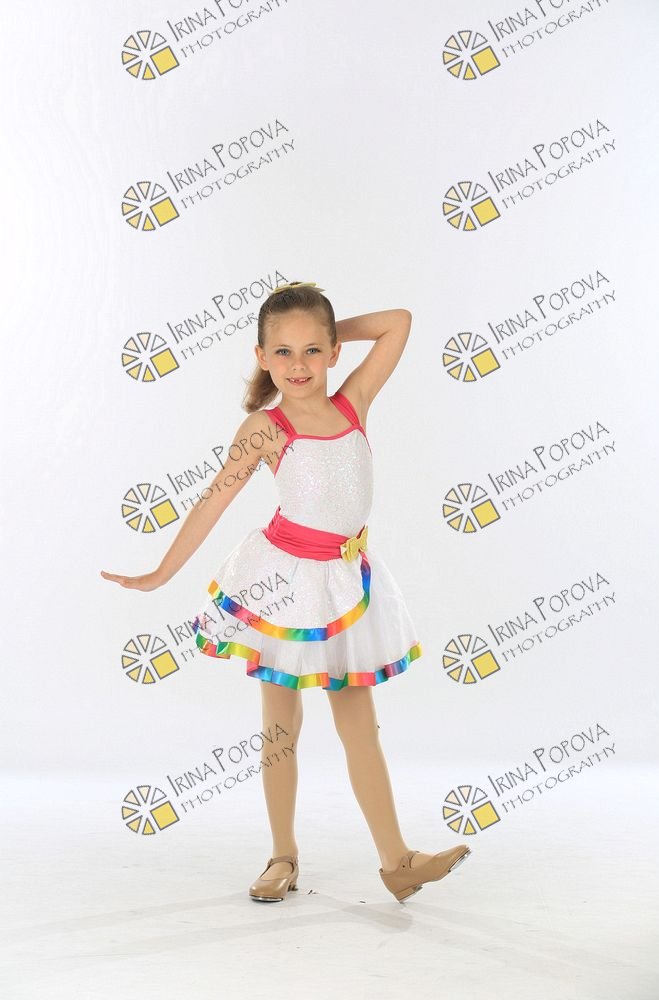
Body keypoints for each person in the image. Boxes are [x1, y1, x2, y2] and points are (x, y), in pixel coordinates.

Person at [101, 281, 471, 903]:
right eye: (282, 352)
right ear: (262, 357)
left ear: (333, 353)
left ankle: (398, 861)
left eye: (311, 351)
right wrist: (162, 571)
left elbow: (399, 320)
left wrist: (326, 331)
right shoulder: (265, 427)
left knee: (361, 726)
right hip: (281, 586)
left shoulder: (354, 403)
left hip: (346, 587)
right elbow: (212, 501)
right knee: (281, 729)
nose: (298, 366)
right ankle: (282, 855)